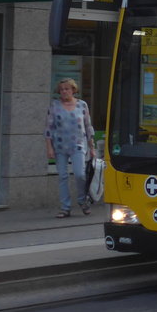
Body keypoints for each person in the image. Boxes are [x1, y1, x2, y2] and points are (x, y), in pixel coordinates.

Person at [45, 78, 96, 217]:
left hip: (78, 145)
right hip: (60, 145)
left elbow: (88, 126)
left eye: (67, 89)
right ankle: (65, 207)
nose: (64, 92)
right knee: (62, 176)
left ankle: (82, 200)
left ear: (73, 90)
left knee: (80, 174)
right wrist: (49, 147)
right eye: (61, 89)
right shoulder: (55, 106)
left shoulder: (82, 105)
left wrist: (92, 147)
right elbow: (49, 128)